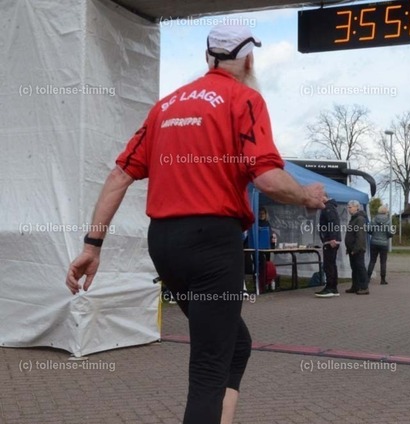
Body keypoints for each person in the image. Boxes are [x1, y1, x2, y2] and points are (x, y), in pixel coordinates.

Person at [64, 24, 326, 424]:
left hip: (165, 245)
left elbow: (119, 175)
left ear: (208, 57)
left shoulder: (165, 107)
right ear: (249, 59)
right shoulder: (245, 99)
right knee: (208, 369)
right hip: (212, 244)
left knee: (235, 344)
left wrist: (91, 246)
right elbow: (267, 178)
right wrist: (306, 195)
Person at [315, 196, 341, 298]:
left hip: (330, 241)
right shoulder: (330, 207)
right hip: (331, 240)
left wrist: (332, 238)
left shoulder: (328, 208)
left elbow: (333, 223)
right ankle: (333, 287)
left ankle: (330, 287)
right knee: (332, 264)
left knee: (328, 265)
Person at [344, 200, 369, 295]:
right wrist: (349, 248)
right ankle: (355, 286)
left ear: (356, 207)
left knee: (360, 267)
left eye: (350, 207)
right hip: (352, 248)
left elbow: (360, 235)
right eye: (348, 207)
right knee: (354, 268)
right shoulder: (353, 218)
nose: (348, 209)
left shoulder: (360, 219)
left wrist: (356, 249)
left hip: (358, 249)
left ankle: (364, 287)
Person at [367, 205, 394, 285]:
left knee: (372, 261)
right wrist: (387, 236)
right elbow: (390, 233)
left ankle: (367, 278)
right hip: (384, 243)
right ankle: (383, 280)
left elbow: (369, 230)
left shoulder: (373, 219)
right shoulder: (388, 221)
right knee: (383, 262)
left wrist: (374, 234)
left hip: (374, 243)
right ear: (386, 211)